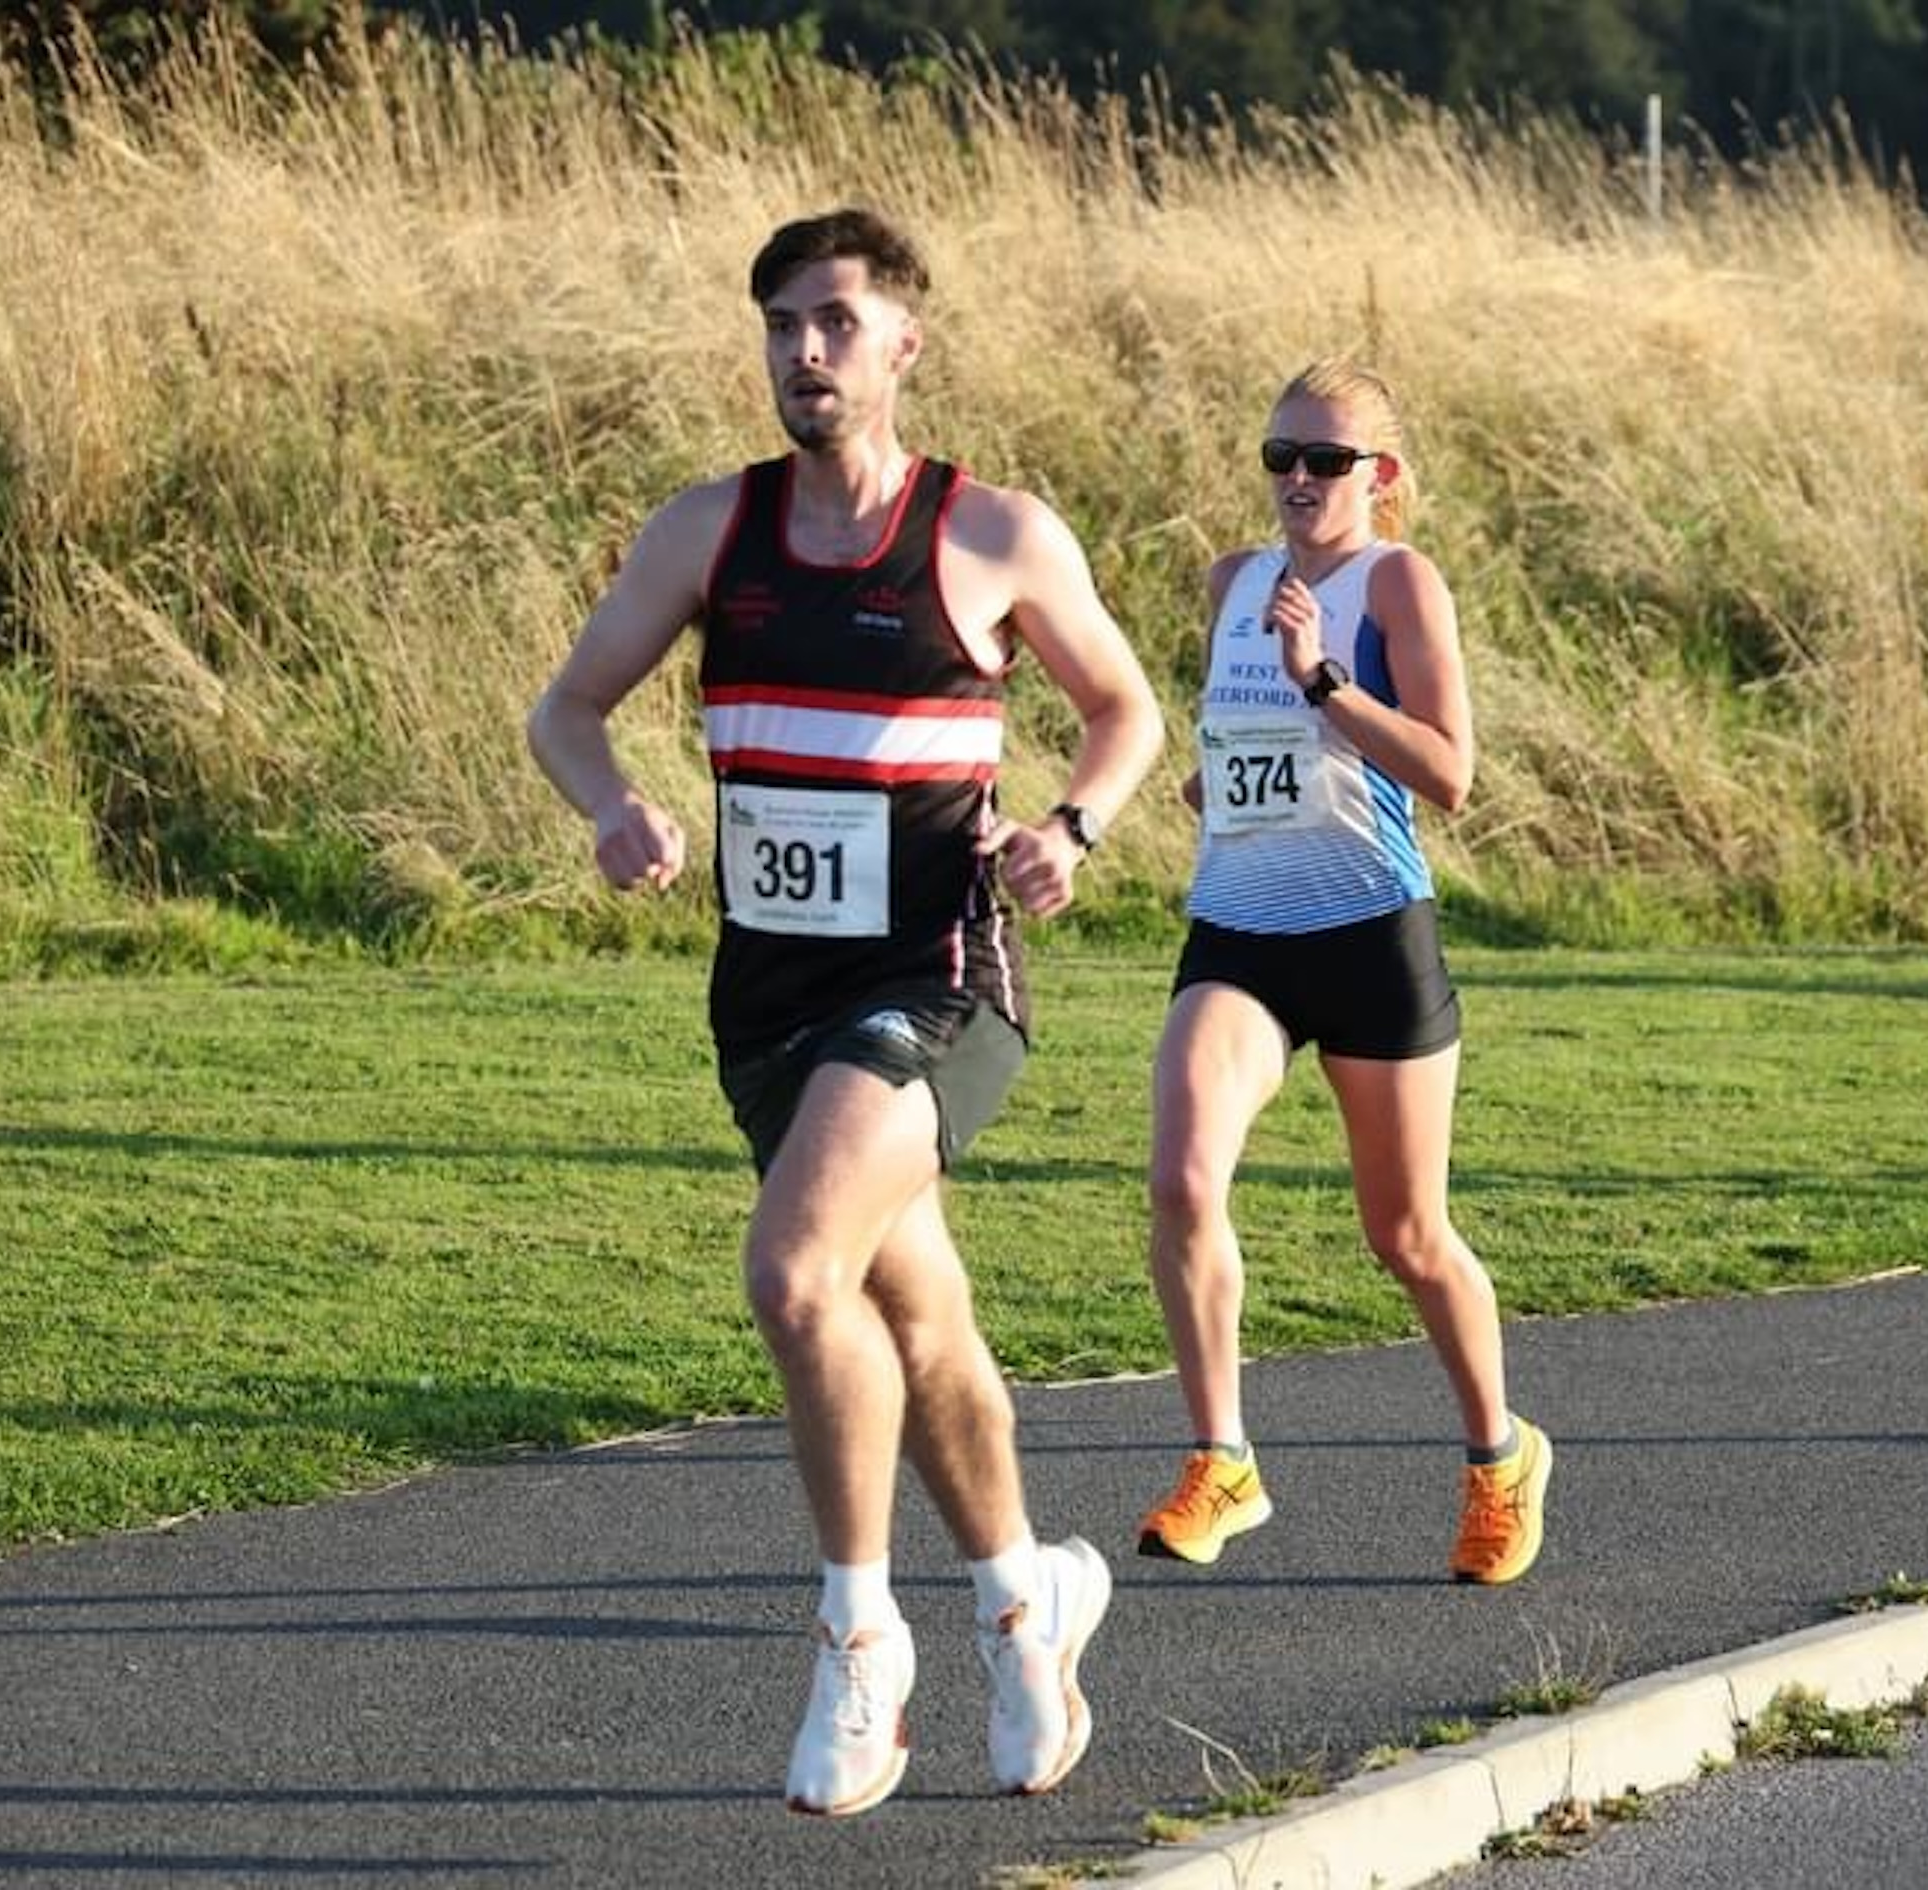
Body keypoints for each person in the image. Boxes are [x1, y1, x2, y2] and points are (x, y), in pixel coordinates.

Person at [526, 208, 1163, 1816]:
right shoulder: (707, 532)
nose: (800, 355)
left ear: (901, 345)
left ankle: (857, 1634)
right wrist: (612, 808)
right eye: (777, 328)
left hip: (937, 974)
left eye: (830, 323)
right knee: (912, 1311)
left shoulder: (991, 535)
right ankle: (1029, 1601)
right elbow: (568, 707)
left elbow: (1123, 709)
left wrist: (1069, 827)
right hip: (768, 993)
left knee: (795, 1269)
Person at [1136, 358, 1553, 1584]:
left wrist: (1326, 681)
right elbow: (1234, 741)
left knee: (1407, 1233)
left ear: (1383, 476)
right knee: (1182, 1174)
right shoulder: (1233, 583)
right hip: (1240, 934)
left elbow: (1449, 773)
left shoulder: (1399, 584)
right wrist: (1224, 771)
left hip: (1371, 932)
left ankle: (1499, 1457)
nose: (1299, 482)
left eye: (1326, 461)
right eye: (1281, 458)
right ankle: (1223, 1457)